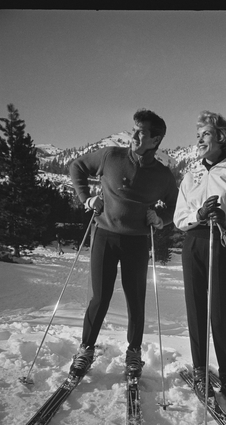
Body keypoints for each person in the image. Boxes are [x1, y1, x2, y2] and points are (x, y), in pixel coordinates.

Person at [68, 108, 178, 378]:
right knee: (100, 297)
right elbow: (77, 167)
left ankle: (133, 353)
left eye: (141, 132)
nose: (134, 136)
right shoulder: (110, 156)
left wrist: (161, 217)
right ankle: (85, 349)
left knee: (135, 300)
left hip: (137, 243)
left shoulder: (163, 175)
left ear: (155, 140)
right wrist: (87, 198)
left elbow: (178, 207)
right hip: (105, 236)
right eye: (134, 129)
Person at [173, 110, 226, 402]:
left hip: (221, 242)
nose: (199, 139)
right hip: (194, 242)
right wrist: (198, 214)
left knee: (218, 313)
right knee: (196, 311)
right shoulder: (191, 173)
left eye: (205, 134)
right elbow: (178, 217)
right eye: (198, 135)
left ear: (221, 137)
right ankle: (200, 369)